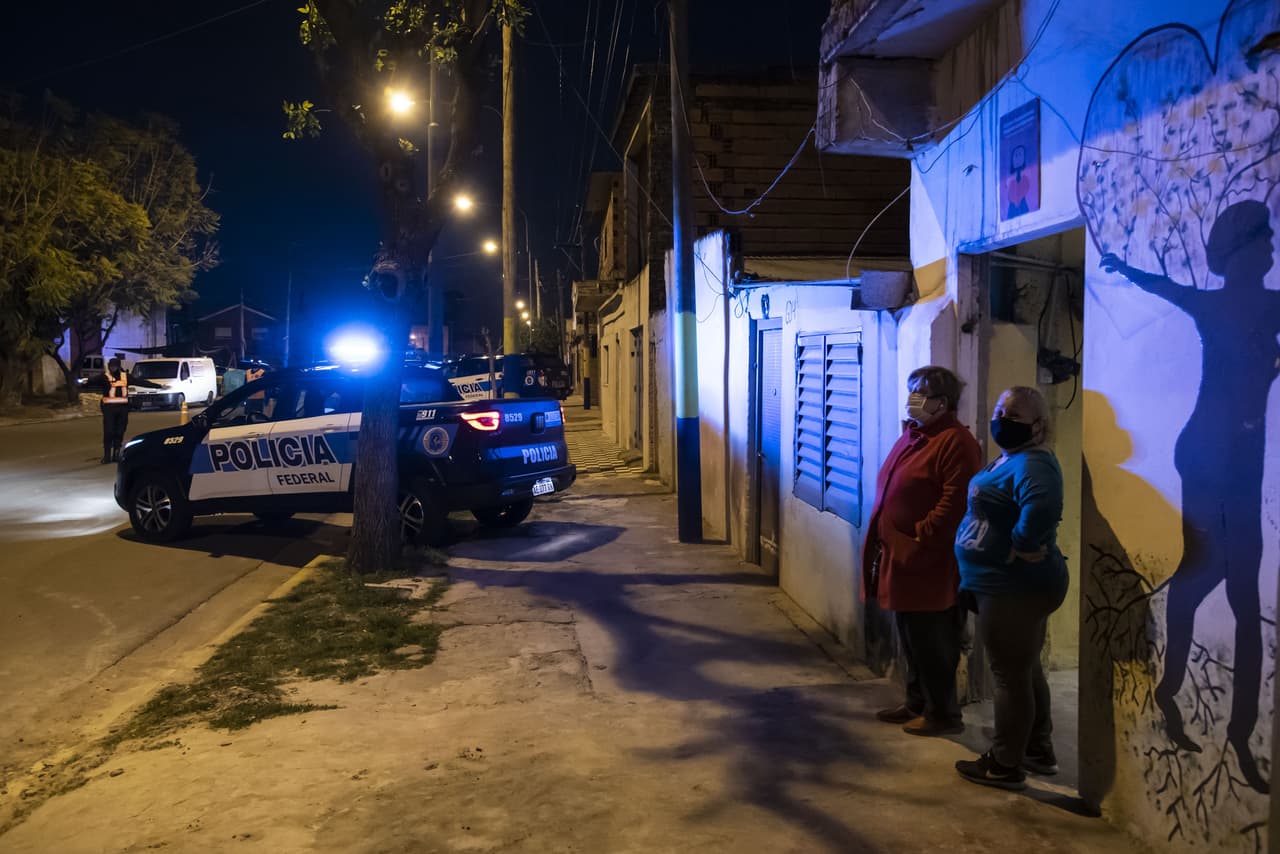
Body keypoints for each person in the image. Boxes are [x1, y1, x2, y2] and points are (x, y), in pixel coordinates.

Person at [953, 386, 1069, 790]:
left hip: (1014, 588)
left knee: (1008, 676)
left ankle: (1005, 763)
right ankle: (1037, 748)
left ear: (1038, 426)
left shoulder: (1035, 464)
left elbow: (1042, 506)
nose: (1003, 417)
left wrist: (1024, 544)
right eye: (1001, 408)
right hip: (1001, 586)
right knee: (1024, 667)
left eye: (1015, 414)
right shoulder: (1013, 458)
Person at [863, 366, 983, 737]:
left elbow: (954, 502)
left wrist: (919, 536)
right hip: (901, 559)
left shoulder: (955, 442)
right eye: (911, 390)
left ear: (941, 402)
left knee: (934, 641)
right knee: (911, 637)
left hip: (929, 562)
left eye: (919, 392)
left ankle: (943, 714)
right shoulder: (916, 435)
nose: (911, 397)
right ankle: (916, 701)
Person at [101, 357, 130, 464]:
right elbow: (92, 381)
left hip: (122, 410)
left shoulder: (125, 377)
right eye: (111, 366)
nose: (112, 368)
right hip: (109, 410)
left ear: (118, 366)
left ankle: (116, 454)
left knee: (119, 432)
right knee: (108, 432)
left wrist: (158, 386)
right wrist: (83, 382)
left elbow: (140, 382)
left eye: (114, 366)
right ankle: (107, 456)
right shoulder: (105, 377)